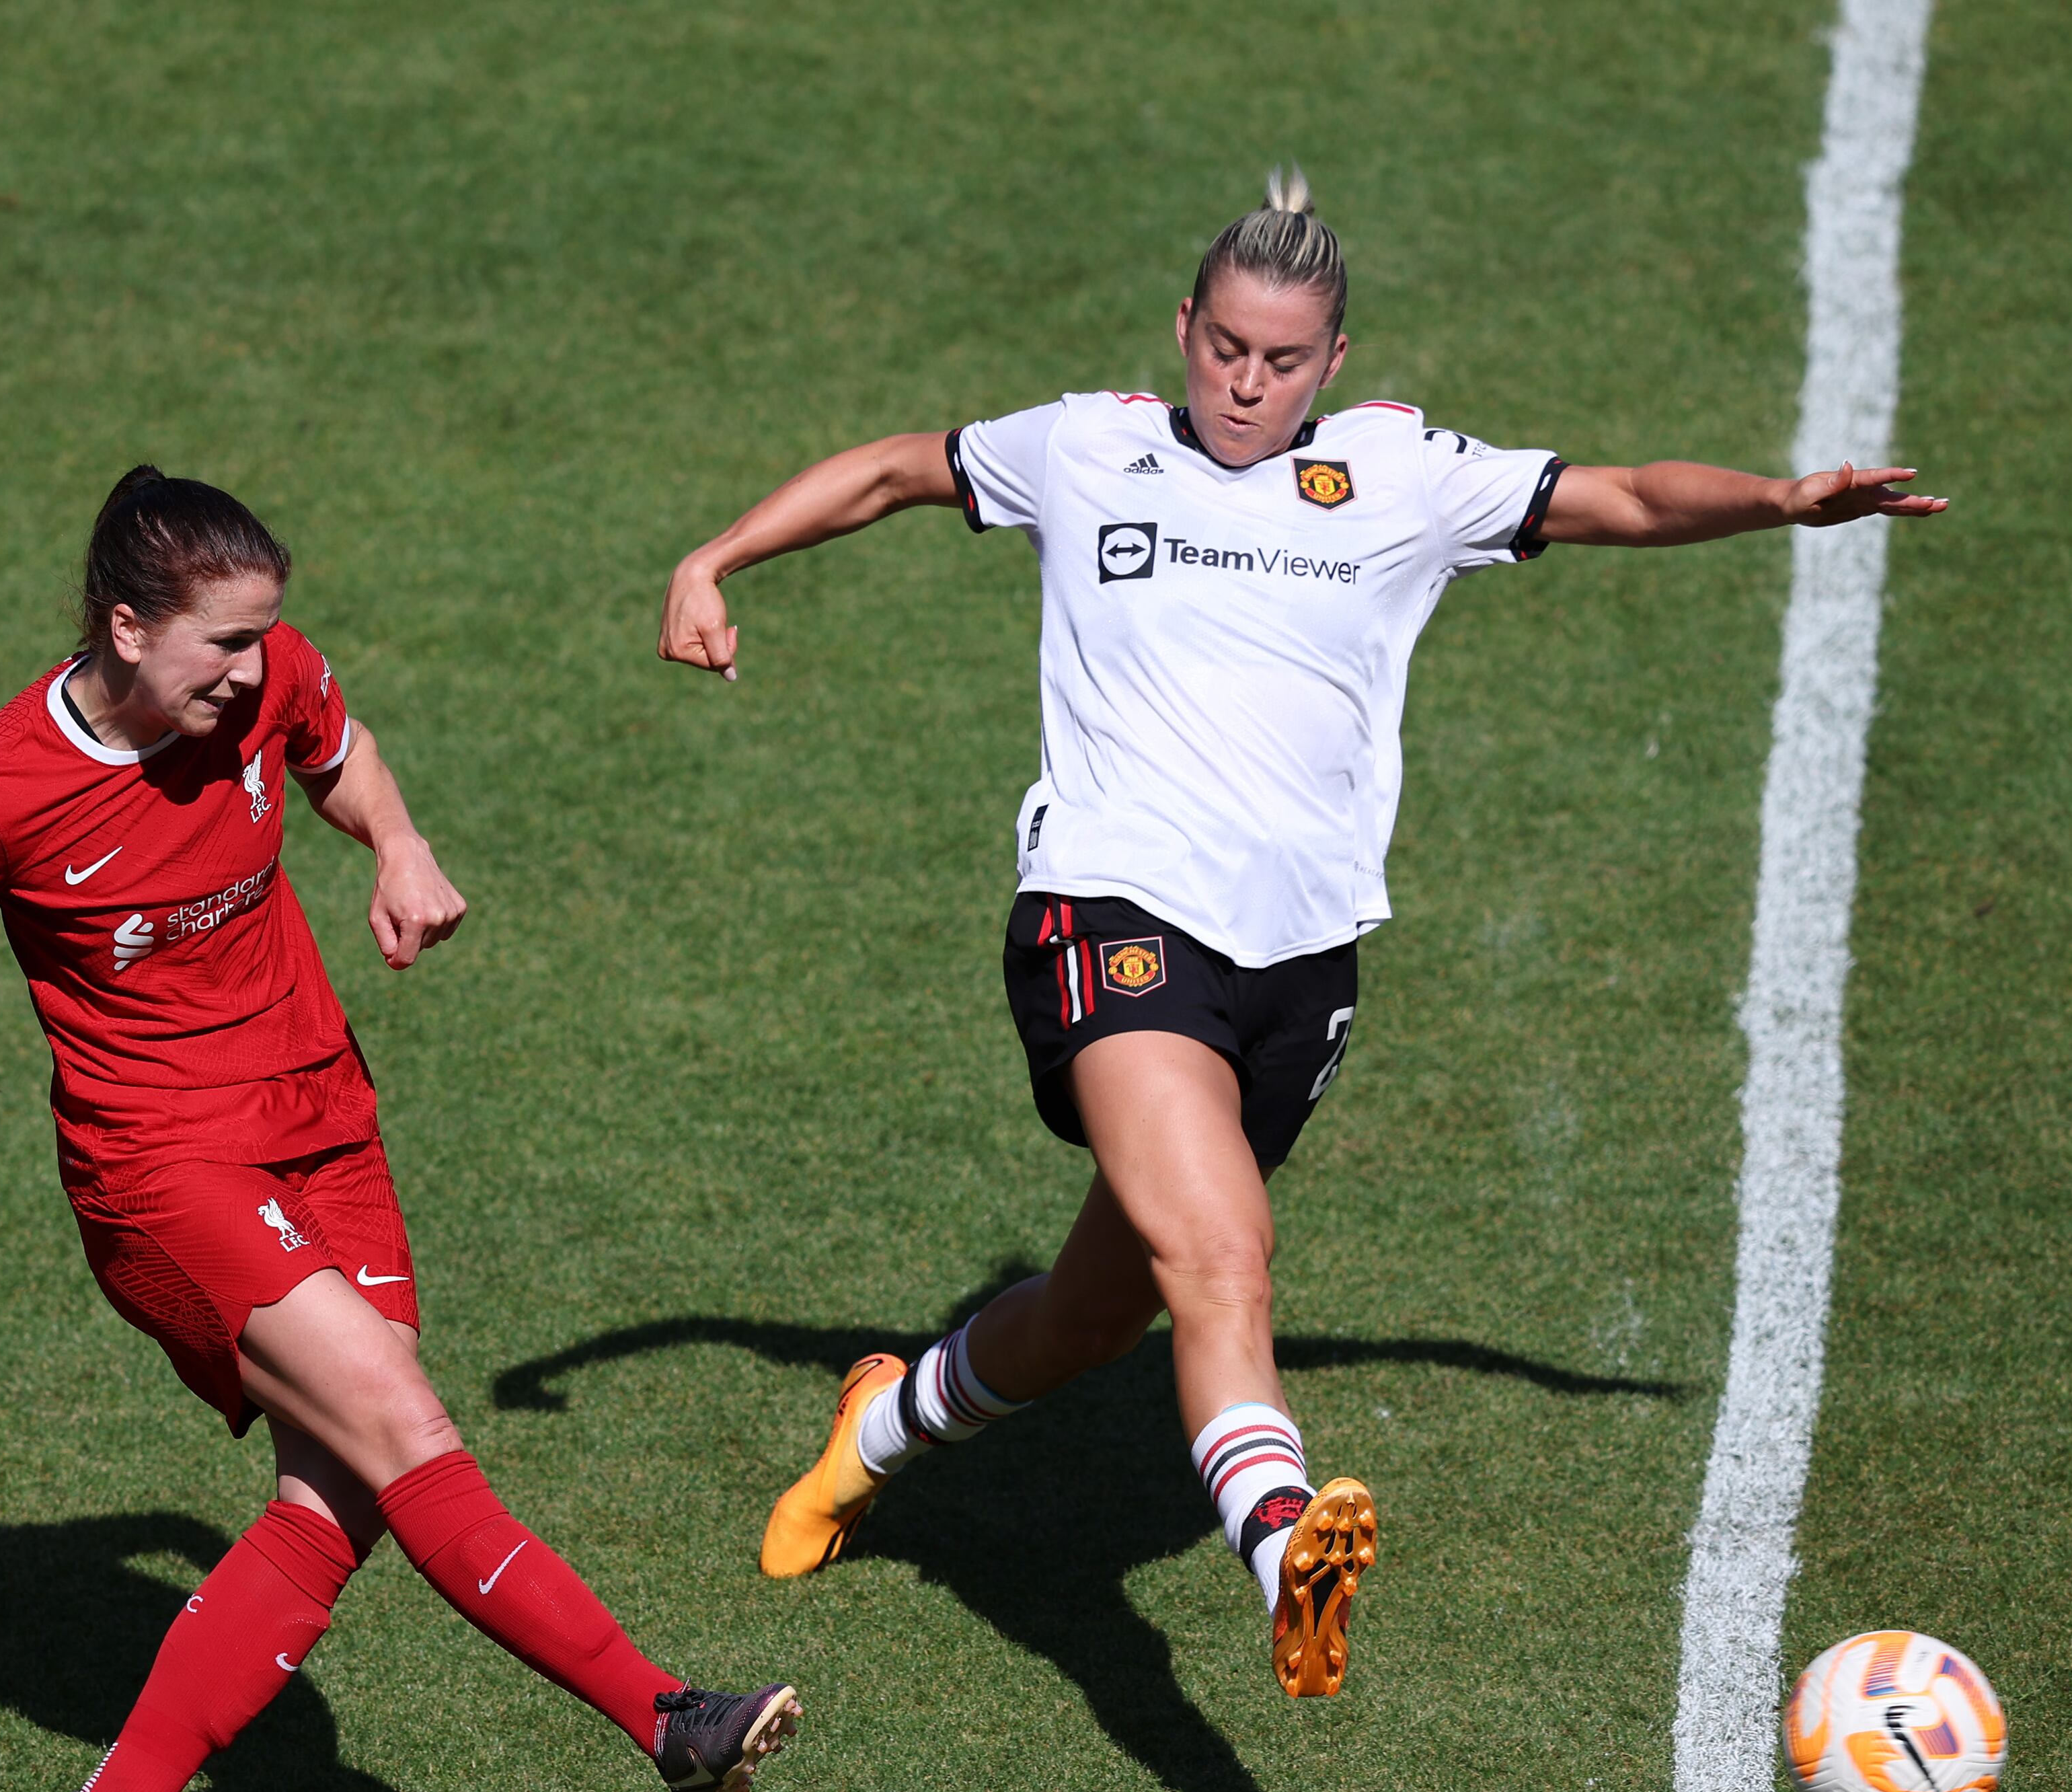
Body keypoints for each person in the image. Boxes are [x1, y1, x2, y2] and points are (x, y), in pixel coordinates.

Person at [659, 170, 1944, 1700]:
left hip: (1297, 965)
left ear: (1333, 363)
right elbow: (890, 472)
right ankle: (1286, 1547)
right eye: (1223, 348)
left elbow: (1617, 496)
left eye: (1280, 361)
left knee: (1094, 1311)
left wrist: (1782, 502)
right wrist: (715, 559)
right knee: (1223, 1260)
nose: (1244, 385)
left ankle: (876, 1428)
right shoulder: (1092, 445)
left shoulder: (1400, 479)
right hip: (1110, 907)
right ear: (1185, 327)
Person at [0, 466, 798, 1792]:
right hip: (163, 1170)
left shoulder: (266, 675)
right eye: (219, 642)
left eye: (264, 635)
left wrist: (397, 846)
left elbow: (345, 750)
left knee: (340, 1496)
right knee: (405, 1429)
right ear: (129, 627)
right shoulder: (1, 786)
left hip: (323, 1117)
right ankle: (666, 1715)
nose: (251, 666)